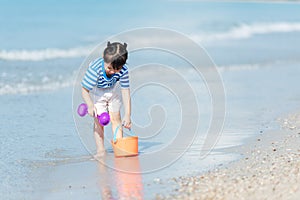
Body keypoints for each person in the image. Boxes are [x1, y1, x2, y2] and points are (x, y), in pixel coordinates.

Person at [81, 41, 131, 158]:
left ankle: (119, 149)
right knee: (99, 122)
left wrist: (128, 114)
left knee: (116, 118)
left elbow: (125, 91)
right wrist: (90, 105)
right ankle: (100, 150)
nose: (112, 72)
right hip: (97, 91)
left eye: (116, 70)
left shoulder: (123, 70)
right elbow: (84, 89)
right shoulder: (95, 69)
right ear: (105, 60)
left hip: (113, 89)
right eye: (109, 68)